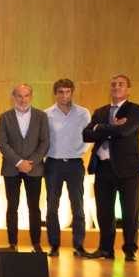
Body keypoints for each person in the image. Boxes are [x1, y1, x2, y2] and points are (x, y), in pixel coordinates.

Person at [82, 74, 139, 262]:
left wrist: (100, 130)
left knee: (130, 211)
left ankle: (130, 250)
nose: (116, 87)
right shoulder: (100, 111)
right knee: (104, 211)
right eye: (113, 84)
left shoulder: (134, 110)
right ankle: (106, 249)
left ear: (128, 89)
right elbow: (86, 135)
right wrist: (110, 127)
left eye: (121, 84)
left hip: (128, 169)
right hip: (103, 168)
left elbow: (124, 131)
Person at [0, 83, 50, 252]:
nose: (23, 99)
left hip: (34, 169)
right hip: (12, 168)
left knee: (34, 207)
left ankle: (36, 243)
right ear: (13, 98)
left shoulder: (41, 116)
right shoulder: (5, 117)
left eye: (26, 95)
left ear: (31, 97)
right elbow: (2, 142)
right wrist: (19, 162)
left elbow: (45, 142)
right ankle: (13, 243)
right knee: (12, 206)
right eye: (19, 96)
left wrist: (29, 162)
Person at [44, 79, 92, 258]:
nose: (64, 95)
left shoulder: (83, 113)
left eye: (67, 91)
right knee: (51, 207)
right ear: (55, 94)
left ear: (72, 92)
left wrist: (81, 151)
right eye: (61, 92)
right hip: (53, 164)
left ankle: (78, 245)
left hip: (75, 164)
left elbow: (89, 136)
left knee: (78, 207)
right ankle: (54, 244)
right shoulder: (46, 114)